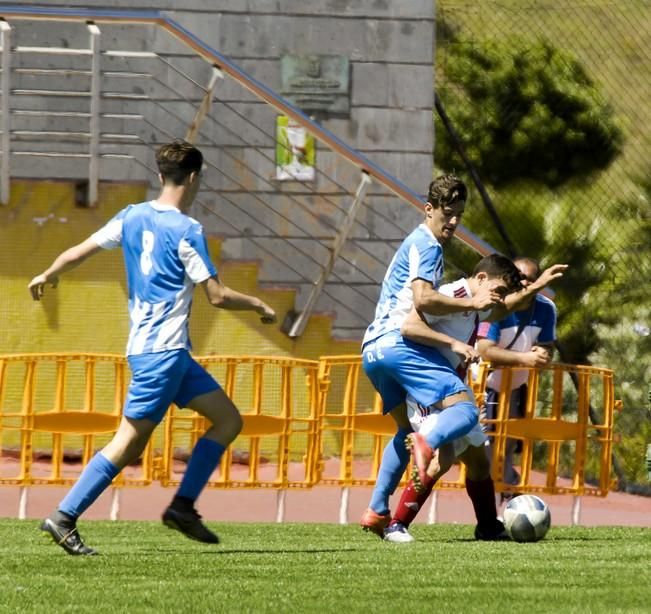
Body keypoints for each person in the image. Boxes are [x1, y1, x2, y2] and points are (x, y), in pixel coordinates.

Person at [28, 140, 276, 555]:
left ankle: (182, 506)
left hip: (168, 355)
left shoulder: (132, 217)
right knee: (128, 442)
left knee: (228, 420)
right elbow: (215, 295)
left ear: (161, 176)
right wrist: (258, 304)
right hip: (161, 356)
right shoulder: (187, 230)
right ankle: (64, 516)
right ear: (195, 177)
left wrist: (48, 273)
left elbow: (80, 251)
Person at [359, 174, 508, 538]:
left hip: (372, 350)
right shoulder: (428, 245)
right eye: (447, 214)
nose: (453, 222)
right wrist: (469, 308)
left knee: (401, 430)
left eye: (458, 215)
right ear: (428, 210)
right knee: (464, 409)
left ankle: (377, 510)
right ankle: (426, 446)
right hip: (397, 343)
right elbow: (423, 300)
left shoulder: (418, 243)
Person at [382, 253, 524, 543]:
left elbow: (503, 309)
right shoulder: (450, 294)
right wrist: (455, 344)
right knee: (442, 459)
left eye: (503, 295)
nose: (499, 299)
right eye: (498, 291)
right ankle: (396, 524)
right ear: (481, 278)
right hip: (429, 387)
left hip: (455, 390)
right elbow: (409, 327)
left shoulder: (480, 302)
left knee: (480, 462)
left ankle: (487, 526)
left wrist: (535, 287)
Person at [476, 256, 558, 498]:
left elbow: (547, 345)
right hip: (484, 384)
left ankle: (509, 494)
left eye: (530, 279)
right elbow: (485, 350)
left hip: (516, 385)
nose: (524, 283)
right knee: (485, 443)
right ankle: (495, 495)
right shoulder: (497, 306)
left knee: (510, 441)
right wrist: (524, 359)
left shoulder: (545, 309)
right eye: (519, 277)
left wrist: (543, 354)